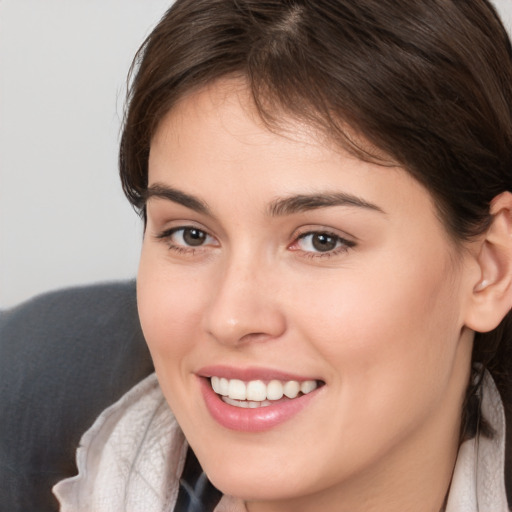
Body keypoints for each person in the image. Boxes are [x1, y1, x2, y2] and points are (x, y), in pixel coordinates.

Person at [53, 0, 512, 510]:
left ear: (490, 269)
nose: (230, 317)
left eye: (321, 240)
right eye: (190, 234)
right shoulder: (29, 414)